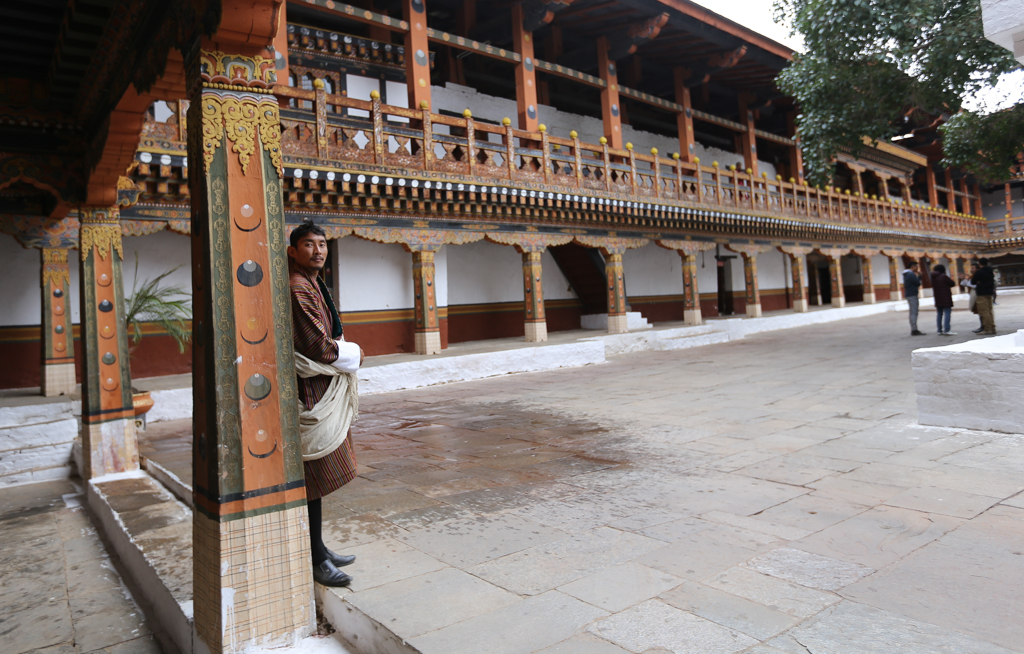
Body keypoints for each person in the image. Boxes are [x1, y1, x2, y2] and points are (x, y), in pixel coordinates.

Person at [288, 219, 363, 587]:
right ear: (293, 250)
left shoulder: (311, 282)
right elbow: (320, 347)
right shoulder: (297, 287)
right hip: (310, 392)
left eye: (322, 244)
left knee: (314, 478)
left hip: (321, 385)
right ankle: (316, 559)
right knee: (313, 476)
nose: (317, 250)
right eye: (308, 244)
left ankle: (318, 546)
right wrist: (355, 354)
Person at [930, 264, 956, 335]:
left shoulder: (933, 277)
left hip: (937, 297)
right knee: (947, 313)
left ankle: (939, 330)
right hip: (946, 297)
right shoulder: (943, 276)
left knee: (939, 314)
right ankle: (947, 329)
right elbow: (952, 283)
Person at [973, 258, 997, 335]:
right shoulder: (990, 271)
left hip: (981, 293)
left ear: (980, 263)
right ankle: (992, 327)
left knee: (984, 311)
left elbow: (973, 281)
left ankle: (987, 328)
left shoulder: (980, 272)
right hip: (989, 292)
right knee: (989, 311)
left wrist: (979, 282)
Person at [960, 261, 985, 333]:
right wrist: (963, 279)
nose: (971, 270)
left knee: (981, 311)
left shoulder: (979, 275)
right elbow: (967, 284)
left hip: (978, 294)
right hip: (973, 293)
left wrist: (967, 281)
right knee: (979, 311)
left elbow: (973, 284)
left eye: (973, 268)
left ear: (977, 269)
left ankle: (984, 326)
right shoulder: (972, 276)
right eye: (971, 268)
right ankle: (982, 326)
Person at [903, 262, 925, 335]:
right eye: (916, 267)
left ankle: (914, 328)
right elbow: (918, 283)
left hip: (909, 294)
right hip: (912, 294)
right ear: (913, 266)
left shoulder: (906, 274)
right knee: (914, 312)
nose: (917, 268)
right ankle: (914, 329)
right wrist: (919, 276)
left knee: (913, 311)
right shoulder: (910, 274)